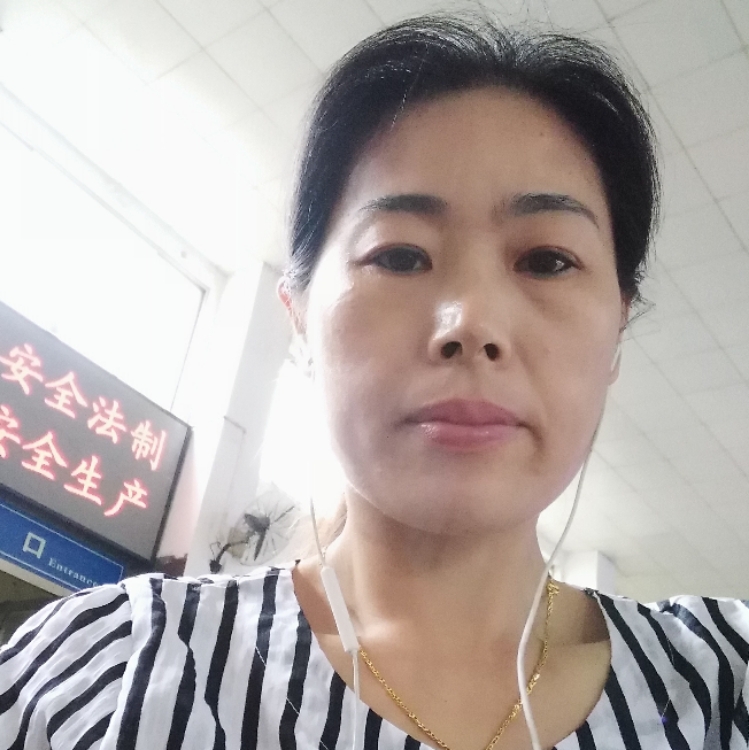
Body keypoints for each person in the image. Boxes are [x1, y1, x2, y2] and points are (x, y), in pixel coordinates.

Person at [1, 13, 747, 750]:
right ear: (299, 315)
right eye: (399, 256)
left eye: (547, 260)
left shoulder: (720, 685)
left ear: (618, 326)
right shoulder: (106, 679)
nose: (471, 322)